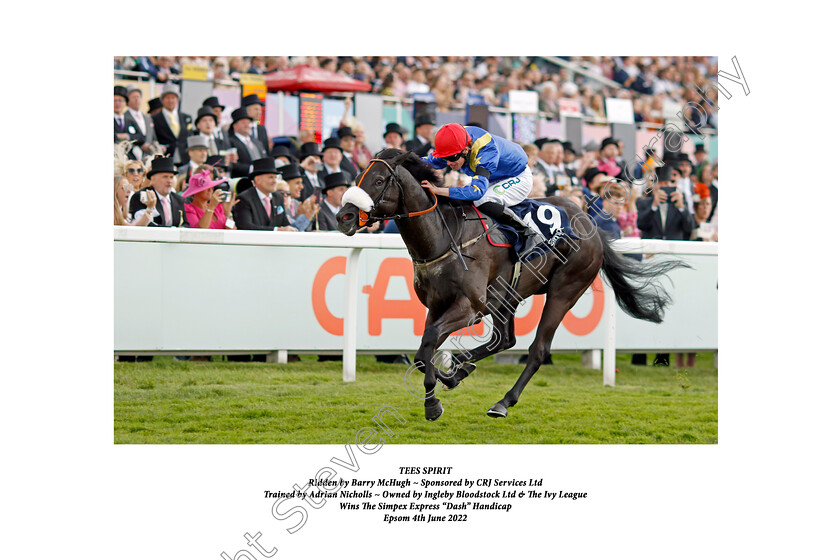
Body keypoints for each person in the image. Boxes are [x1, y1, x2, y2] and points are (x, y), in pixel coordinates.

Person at [420, 123, 537, 257]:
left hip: (517, 176)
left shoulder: (486, 150)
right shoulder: (455, 144)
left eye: (451, 158)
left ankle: (527, 233)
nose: (448, 163)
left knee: (483, 199)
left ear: (465, 150)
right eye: (444, 158)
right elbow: (426, 162)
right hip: (493, 175)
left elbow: (477, 192)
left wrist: (439, 190)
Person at [232, 158, 294, 231]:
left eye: (275, 177)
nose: (275, 181)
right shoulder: (244, 199)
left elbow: (284, 223)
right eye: (271, 177)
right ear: (258, 180)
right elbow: (246, 226)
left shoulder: (278, 198)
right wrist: (276, 230)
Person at [128, 156, 190, 227]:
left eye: (171, 177)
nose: (169, 181)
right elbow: (145, 225)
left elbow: (186, 224)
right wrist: (172, 230)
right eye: (165, 177)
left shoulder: (178, 199)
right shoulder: (141, 196)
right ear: (153, 179)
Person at [152, 83, 192, 164]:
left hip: (184, 158)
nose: (170, 101)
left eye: (173, 98)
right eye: (167, 98)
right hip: (165, 158)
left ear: (177, 100)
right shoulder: (155, 118)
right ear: (162, 100)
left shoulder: (186, 118)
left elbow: (189, 136)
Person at [277, 164, 318, 231]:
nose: (301, 187)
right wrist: (305, 215)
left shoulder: (298, 204)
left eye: (301, 183)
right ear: (285, 183)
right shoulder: (278, 203)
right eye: (297, 183)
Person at [126, 87, 157, 158]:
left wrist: (155, 146)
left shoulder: (148, 118)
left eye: (138, 97)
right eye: (134, 97)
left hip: (149, 156)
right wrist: (140, 144)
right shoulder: (125, 117)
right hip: (133, 156)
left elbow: (153, 137)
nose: (137, 99)